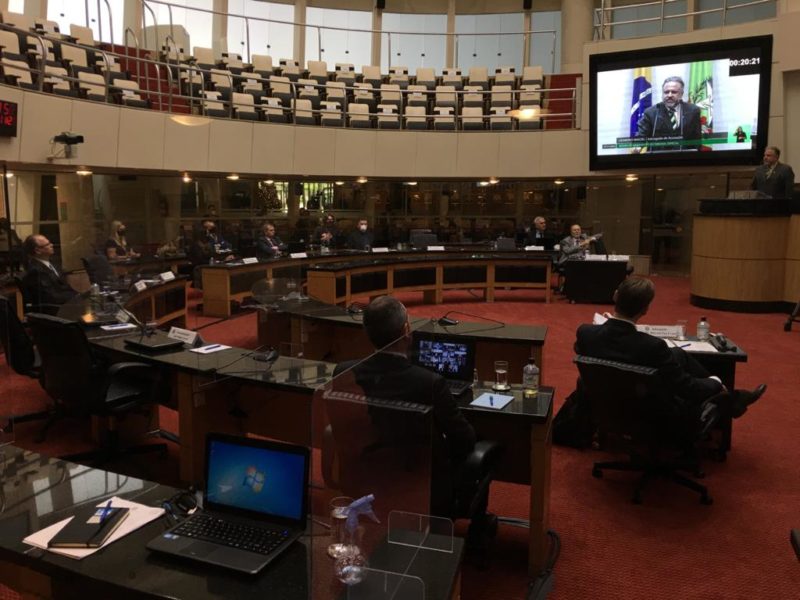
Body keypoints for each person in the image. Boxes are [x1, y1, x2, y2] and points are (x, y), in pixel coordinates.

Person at [333, 296, 496, 548]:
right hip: (421, 487)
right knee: (483, 450)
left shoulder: (344, 372)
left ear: (366, 332)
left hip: (366, 476)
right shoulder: (429, 382)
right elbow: (464, 440)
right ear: (406, 331)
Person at [575, 277, 766, 428]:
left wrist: (605, 327)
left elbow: (594, 349)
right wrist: (715, 382)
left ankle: (734, 399)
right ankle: (731, 398)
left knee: (677, 354)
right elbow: (687, 388)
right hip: (651, 413)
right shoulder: (652, 347)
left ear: (615, 296)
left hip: (606, 405)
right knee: (684, 364)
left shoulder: (585, 333)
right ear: (646, 309)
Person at [636, 76, 701, 151]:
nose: (669, 95)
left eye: (674, 92)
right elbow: (641, 136)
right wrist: (637, 146)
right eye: (666, 92)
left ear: (681, 94)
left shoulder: (693, 111)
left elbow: (697, 139)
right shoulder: (651, 112)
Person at [20, 234, 78, 314]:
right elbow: (51, 297)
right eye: (47, 244)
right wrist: (76, 298)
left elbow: (64, 287)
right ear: (37, 250)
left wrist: (80, 296)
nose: (52, 245)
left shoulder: (53, 264)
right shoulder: (35, 271)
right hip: (54, 312)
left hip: (65, 306)